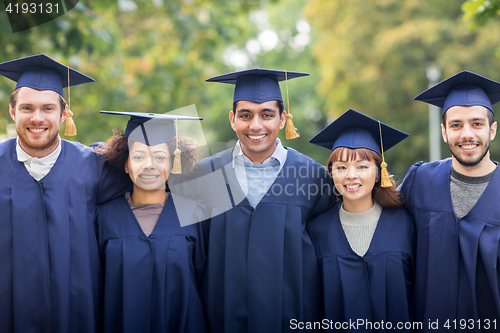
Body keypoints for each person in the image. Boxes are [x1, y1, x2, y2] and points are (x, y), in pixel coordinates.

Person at [192, 68, 334, 333]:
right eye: (245, 115)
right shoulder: (205, 174)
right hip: (221, 319)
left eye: (267, 115)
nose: (255, 125)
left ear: (282, 119)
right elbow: (192, 258)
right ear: (233, 119)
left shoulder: (313, 177)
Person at [0, 54, 130, 332]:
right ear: (12, 112)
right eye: (27, 108)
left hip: (78, 315)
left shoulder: (94, 166)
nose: (37, 118)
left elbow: (159, 178)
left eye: (47, 108)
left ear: (63, 113)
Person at [399, 70, 500, 331]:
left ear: (492, 130)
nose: (467, 134)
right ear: (444, 132)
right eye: (456, 125)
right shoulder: (420, 181)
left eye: (477, 124)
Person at [95, 111, 208, 333]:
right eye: (138, 157)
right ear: (125, 164)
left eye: (159, 157)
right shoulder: (103, 217)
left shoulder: (193, 212)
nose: (149, 165)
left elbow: (204, 278)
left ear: (173, 163)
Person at [308, 109, 415, 332]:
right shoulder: (317, 230)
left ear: (378, 173)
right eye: (341, 167)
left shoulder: (406, 224)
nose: (351, 175)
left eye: (362, 166)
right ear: (331, 173)